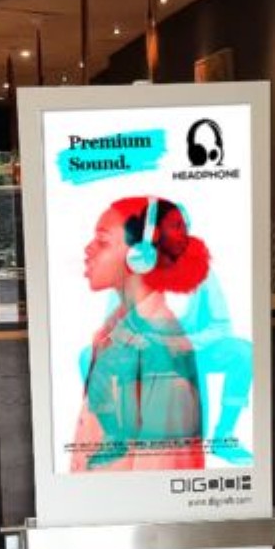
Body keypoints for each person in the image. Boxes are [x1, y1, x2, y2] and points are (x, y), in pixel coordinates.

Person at [71, 196, 210, 472]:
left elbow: (162, 482)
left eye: (102, 241)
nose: (88, 249)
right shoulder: (115, 334)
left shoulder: (160, 353)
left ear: (140, 257)